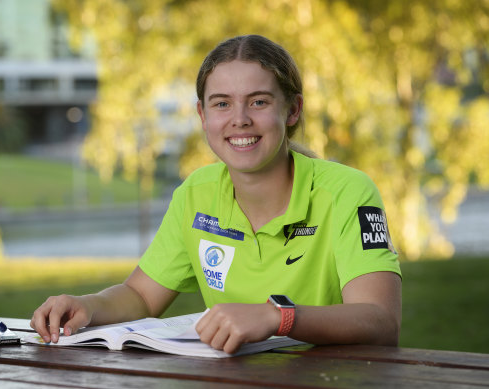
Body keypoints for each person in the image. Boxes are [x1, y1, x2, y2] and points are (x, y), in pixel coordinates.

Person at [31, 34, 402, 354]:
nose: (239, 118)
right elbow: (142, 297)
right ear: (203, 116)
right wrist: (86, 305)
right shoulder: (196, 194)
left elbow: (381, 321)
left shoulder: (348, 191)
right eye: (222, 103)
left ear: (292, 110)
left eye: (258, 101)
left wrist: (278, 316)